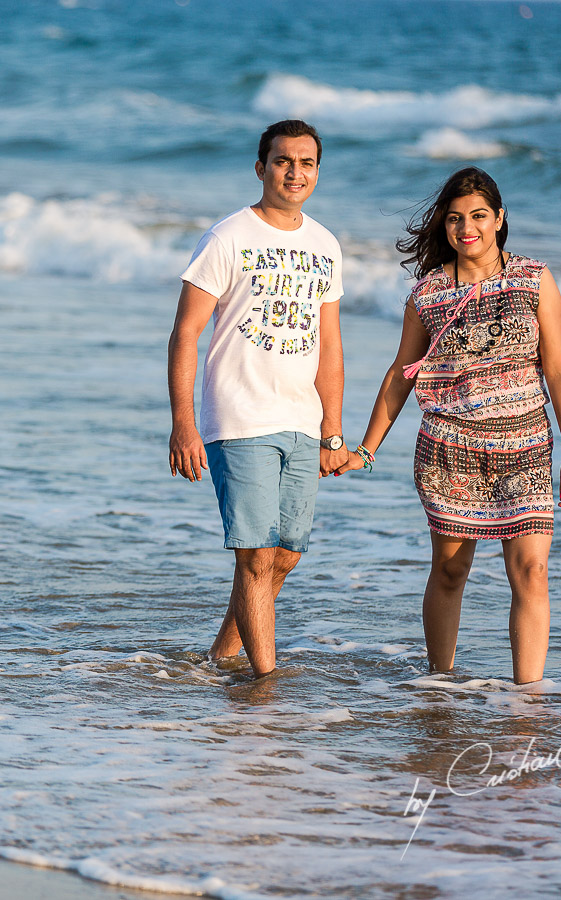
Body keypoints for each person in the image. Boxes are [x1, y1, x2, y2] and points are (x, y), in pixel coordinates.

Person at [337, 167, 561, 684]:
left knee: (532, 572)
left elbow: (557, 367)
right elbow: (399, 376)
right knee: (451, 571)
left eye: (476, 216)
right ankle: (440, 684)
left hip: (527, 447)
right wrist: (366, 448)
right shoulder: (425, 296)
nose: (465, 228)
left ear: (499, 219)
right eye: (454, 219)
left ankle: (527, 701)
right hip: (451, 450)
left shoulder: (534, 279)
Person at [167, 119, 348, 678]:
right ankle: (265, 684)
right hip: (240, 416)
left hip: (302, 419)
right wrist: (184, 424)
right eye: (283, 161)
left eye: (307, 162)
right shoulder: (228, 237)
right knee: (255, 555)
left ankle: (219, 658)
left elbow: (330, 347)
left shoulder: (324, 244)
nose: (295, 172)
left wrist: (333, 432)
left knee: (284, 556)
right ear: (260, 166)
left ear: (317, 171)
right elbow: (185, 334)